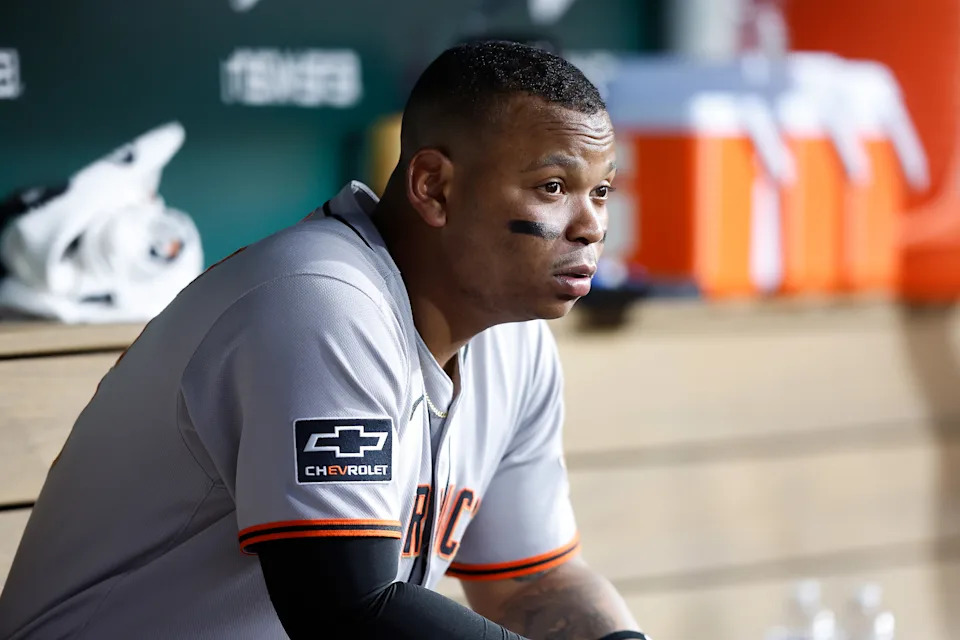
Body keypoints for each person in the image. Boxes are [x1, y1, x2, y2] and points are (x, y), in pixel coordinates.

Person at [0, 41, 647, 639]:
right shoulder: (321, 300)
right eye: (554, 188)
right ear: (434, 187)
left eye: (602, 191)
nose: (592, 226)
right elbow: (347, 613)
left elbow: (532, 582)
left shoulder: (514, 340)